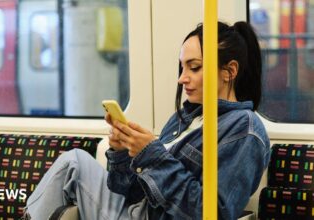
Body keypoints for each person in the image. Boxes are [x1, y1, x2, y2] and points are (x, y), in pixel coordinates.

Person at [22, 21, 271, 220]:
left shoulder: (244, 129)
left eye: (194, 68)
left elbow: (211, 213)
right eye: (182, 68)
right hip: (135, 210)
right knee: (73, 162)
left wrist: (151, 154)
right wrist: (122, 153)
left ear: (229, 72)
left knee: (73, 162)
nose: (182, 78)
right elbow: (130, 192)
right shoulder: (182, 120)